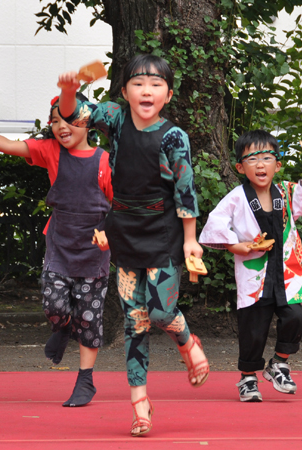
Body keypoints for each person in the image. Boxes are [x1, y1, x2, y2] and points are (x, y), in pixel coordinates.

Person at [57, 54, 209, 437]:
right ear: (124, 92)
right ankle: (140, 405)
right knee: (134, 321)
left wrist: (191, 240)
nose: (147, 90)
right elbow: (75, 114)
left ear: (168, 95)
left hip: (165, 232)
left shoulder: (175, 136)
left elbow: (185, 189)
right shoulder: (115, 118)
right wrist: (68, 90)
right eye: (138, 83)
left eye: (156, 84)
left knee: (160, 313)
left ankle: (187, 341)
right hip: (123, 229)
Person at [0, 95, 111, 407]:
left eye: (68, 120)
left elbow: (119, 206)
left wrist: (111, 233)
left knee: (89, 317)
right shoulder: (50, 151)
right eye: (54, 121)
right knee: (54, 304)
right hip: (60, 246)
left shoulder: (105, 161)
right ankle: (62, 327)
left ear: (87, 122)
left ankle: (85, 381)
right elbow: (8, 145)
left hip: (94, 251)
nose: (60, 127)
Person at [198, 130, 302, 402]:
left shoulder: (288, 192)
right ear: (240, 167)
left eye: (267, 157)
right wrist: (238, 246)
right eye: (252, 158)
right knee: (253, 329)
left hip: (288, 273)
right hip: (255, 275)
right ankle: (247, 377)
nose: (260, 164)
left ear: (277, 165)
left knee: (295, 317)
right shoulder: (236, 197)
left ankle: (279, 363)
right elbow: (215, 225)